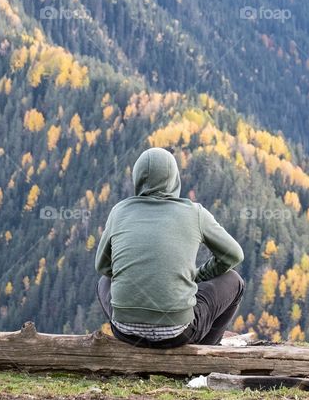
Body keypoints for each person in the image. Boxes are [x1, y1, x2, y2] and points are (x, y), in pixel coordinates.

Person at [95, 147, 245, 347]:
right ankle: (206, 350)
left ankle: (132, 338)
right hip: (179, 333)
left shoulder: (119, 211)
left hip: (126, 332)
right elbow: (233, 255)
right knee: (234, 280)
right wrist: (198, 276)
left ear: (137, 178)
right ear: (175, 179)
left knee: (104, 281)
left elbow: (103, 267)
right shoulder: (195, 213)